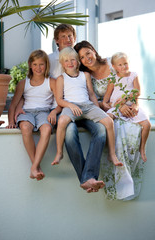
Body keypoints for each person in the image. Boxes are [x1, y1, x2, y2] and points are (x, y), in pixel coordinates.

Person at [14, 24, 107, 193]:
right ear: (56, 41)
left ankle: (88, 178)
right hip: (60, 109)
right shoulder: (49, 60)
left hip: (85, 108)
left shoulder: (79, 57)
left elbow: (92, 88)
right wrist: (21, 107)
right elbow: (31, 87)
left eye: (70, 36)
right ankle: (87, 178)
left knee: (101, 131)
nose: (67, 39)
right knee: (70, 134)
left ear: (74, 38)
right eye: (62, 36)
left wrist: (102, 105)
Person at [74, 41, 148, 200]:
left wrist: (132, 105)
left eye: (88, 53)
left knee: (132, 128)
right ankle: (116, 182)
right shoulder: (84, 77)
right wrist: (114, 106)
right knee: (110, 127)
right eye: (82, 57)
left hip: (125, 106)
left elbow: (131, 87)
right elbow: (90, 101)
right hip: (104, 110)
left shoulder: (112, 63)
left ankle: (130, 175)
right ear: (79, 61)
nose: (87, 58)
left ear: (94, 51)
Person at [51, 47, 123, 171]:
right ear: (62, 64)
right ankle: (59, 153)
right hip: (71, 106)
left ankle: (112, 154)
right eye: (66, 61)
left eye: (73, 60)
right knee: (62, 121)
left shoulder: (85, 75)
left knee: (108, 122)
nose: (70, 63)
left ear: (78, 61)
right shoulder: (61, 79)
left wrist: (97, 109)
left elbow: (91, 94)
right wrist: (71, 105)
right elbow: (59, 100)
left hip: (88, 106)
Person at [7, 50, 61, 181]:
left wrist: (54, 112)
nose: (38, 68)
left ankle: (34, 167)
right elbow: (13, 104)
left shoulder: (52, 82)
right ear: (30, 65)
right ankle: (35, 166)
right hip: (27, 112)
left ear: (46, 65)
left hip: (44, 112)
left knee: (47, 129)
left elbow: (60, 103)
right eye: (35, 64)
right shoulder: (23, 83)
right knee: (25, 128)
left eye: (41, 64)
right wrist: (11, 122)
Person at [104, 52, 151, 162]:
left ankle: (142, 148)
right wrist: (113, 105)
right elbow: (106, 100)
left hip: (132, 106)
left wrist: (128, 100)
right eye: (120, 65)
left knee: (147, 124)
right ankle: (110, 149)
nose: (123, 66)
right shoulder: (113, 79)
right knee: (107, 118)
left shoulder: (133, 75)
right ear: (114, 67)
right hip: (117, 107)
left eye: (125, 63)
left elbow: (137, 92)